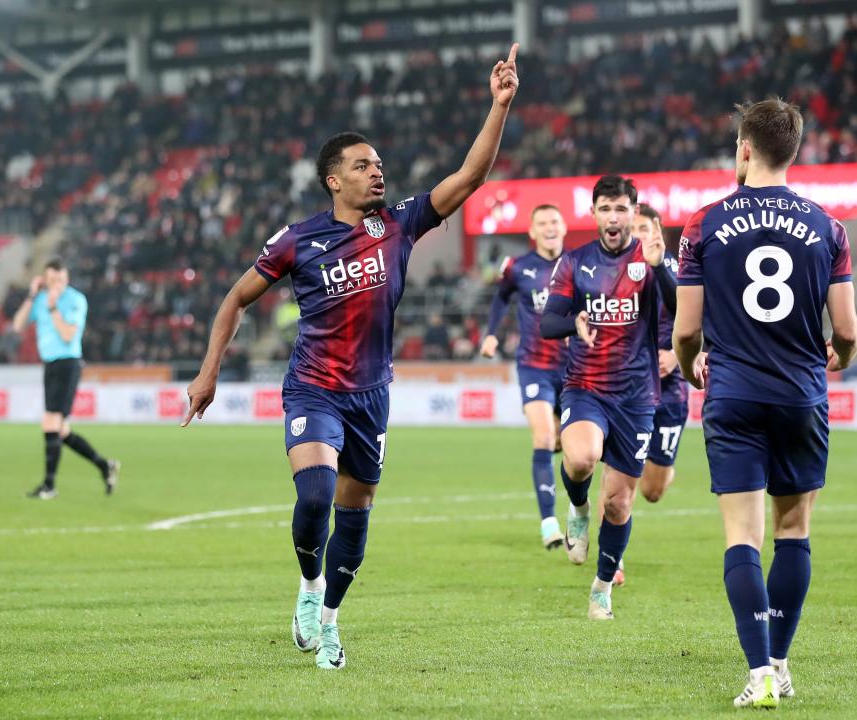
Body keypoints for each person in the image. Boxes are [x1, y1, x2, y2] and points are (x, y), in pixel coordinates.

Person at [182, 44, 521, 671]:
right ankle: (309, 588)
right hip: (313, 387)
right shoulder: (298, 239)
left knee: (355, 514)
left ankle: (332, 618)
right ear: (334, 179)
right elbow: (235, 299)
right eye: (364, 166)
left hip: (372, 394)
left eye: (380, 164)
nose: (377, 172)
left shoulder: (399, 224)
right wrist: (209, 372)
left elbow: (469, 178)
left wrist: (498, 106)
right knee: (314, 497)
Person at [674, 98, 857, 708]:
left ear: (745, 149)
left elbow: (684, 333)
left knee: (741, 539)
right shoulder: (829, 229)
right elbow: (850, 331)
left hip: (732, 394)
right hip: (800, 395)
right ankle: (780, 662)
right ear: (794, 150)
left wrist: (689, 368)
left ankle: (756, 673)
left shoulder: (702, 225)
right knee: (794, 531)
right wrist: (840, 358)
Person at [540, 175, 673, 620]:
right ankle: (578, 508)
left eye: (621, 209)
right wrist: (573, 320)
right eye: (605, 209)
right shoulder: (575, 262)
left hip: (636, 397)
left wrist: (660, 268)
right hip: (586, 386)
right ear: (593, 213)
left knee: (618, 503)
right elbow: (548, 322)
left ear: (634, 214)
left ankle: (602, 586)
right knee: (581, 459)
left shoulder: (650, 261)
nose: (613, 218)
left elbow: (683, 311)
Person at [596, 203, 689, 587]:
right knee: (615, 477)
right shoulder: (611, 276)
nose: (639, 234)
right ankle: (612, 559)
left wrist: (679, 357)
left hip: (670, 393)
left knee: (652, 491)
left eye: (645, 227)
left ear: (659, 233)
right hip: (627, 389)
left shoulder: (682, 274)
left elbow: (707, 325)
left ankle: (661, 468)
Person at [480, 204, 568, 549]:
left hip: (575, 367)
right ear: (532, 232)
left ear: (563, 227)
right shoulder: (519, 268)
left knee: (577, 451)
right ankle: (549, 522)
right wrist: (491, 334)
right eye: (542, 222)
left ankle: (577, 509)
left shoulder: (579, 265)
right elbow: (501, 299)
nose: (548, 227)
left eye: (554, 221)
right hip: (534, 365)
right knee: (545, 437)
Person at [12, 259, 119, 499]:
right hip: (50, 364)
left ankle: (49, 486)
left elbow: (69, 334)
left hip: (68, 363)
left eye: (59, 280)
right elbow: (18, 325)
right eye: (50, 280)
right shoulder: (39, 299)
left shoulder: (75, 300)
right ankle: (104, 465)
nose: (55, 285)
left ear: (67, 279)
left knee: (50, 422)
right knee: (60, 430)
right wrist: (32, 295)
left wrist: (52, 308)